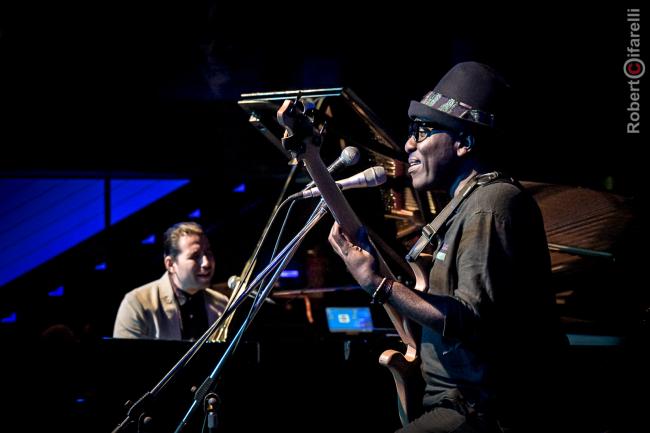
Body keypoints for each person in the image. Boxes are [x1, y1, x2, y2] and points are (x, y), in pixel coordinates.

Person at [328, 62, 568, 432]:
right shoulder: (466, 204)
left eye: (422, 131)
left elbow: (470, 318)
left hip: (482, 410)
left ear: (464, 142)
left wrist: (379, 285)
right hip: (459, 404)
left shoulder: (492, 203)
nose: (409, 143)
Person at [113, 221, 229, 340]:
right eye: (195, 256)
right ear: (170, 264)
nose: (206, 263)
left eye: (208, 253)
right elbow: (124, 358)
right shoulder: (137, 304)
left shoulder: (222, 304)